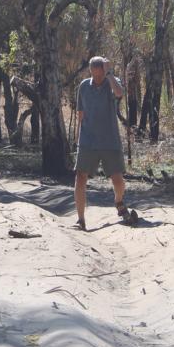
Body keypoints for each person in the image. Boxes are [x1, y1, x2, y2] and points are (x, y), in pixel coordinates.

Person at [73, 56, 128, 231]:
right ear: (90, 70)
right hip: (88, 141)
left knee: (117, 180)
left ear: (104, 71)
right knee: (80, 177)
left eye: (100, 74)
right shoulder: (83, 86)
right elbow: (80, 114)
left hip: (110, 140)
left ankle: (119, 201)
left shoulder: (112, 82)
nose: (97, 78)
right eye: (94, 74)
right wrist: (78, 138)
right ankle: (80, 219)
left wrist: (109, 74)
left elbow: (119, 93)